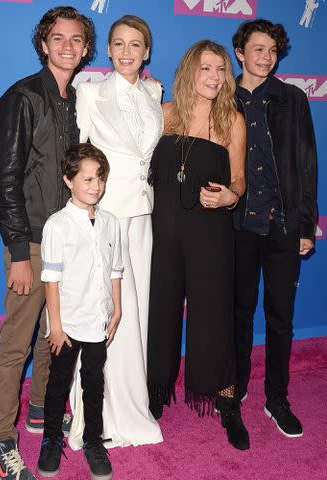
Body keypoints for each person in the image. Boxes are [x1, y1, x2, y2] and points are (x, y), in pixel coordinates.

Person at [0, 7, 94, 479]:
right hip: (30, 243)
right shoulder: (22, 97)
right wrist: (17, 252)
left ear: (86, 48)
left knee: (58, 337)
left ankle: (39, 412)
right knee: (15, 347)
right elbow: (4, 181)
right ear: (43, 43)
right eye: (58, 38)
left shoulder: (77, 101)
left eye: (76, 39)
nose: (67, 46)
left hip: (67, 242)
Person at [147, 39, 249, 451]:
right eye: (206, 68)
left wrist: (230, 196)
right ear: (190, 71)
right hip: (163, 232)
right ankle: (154, 392)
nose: (213, 77)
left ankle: (227, 403)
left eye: (221, 69)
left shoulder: (232, 121)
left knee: (214, 315)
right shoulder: (165, 114)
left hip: (210, 233)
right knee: (161, 314)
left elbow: (240, 179)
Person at [68, 15, 163, 449]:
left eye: (136, 44)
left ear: (147, 51)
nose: (127, 52)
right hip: (104, 215)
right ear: (107, 49)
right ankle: (96, 411)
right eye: (119, 43)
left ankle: (130, 406)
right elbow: (80, 154)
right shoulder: (89, 92)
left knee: (134, 316)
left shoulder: (155, 91)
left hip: (142, 217)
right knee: (102, 312)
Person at [232, 19, 317, 438]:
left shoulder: (293, 99)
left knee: (280, 316)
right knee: (239, 313)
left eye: (272, 51)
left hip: (283, 224)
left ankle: (276, 398)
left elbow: (306, 163)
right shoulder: (220, 97)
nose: (265, 58)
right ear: (239, 53)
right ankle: (237, 385)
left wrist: (306, 223)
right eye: (257, 49)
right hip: (237, 226)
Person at [37, 143, 122, 479]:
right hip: (68, 323)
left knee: (93, 383)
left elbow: (115, 269)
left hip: (99, 320)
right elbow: (51, 280)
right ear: (68, 180)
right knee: (58, 384)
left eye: (99, 178)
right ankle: (51, 439)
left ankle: (93, 441)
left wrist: (116, 309)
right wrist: (55, 326)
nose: (94, 186)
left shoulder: (110, 222)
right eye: (86, 179)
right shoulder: (57, 225)